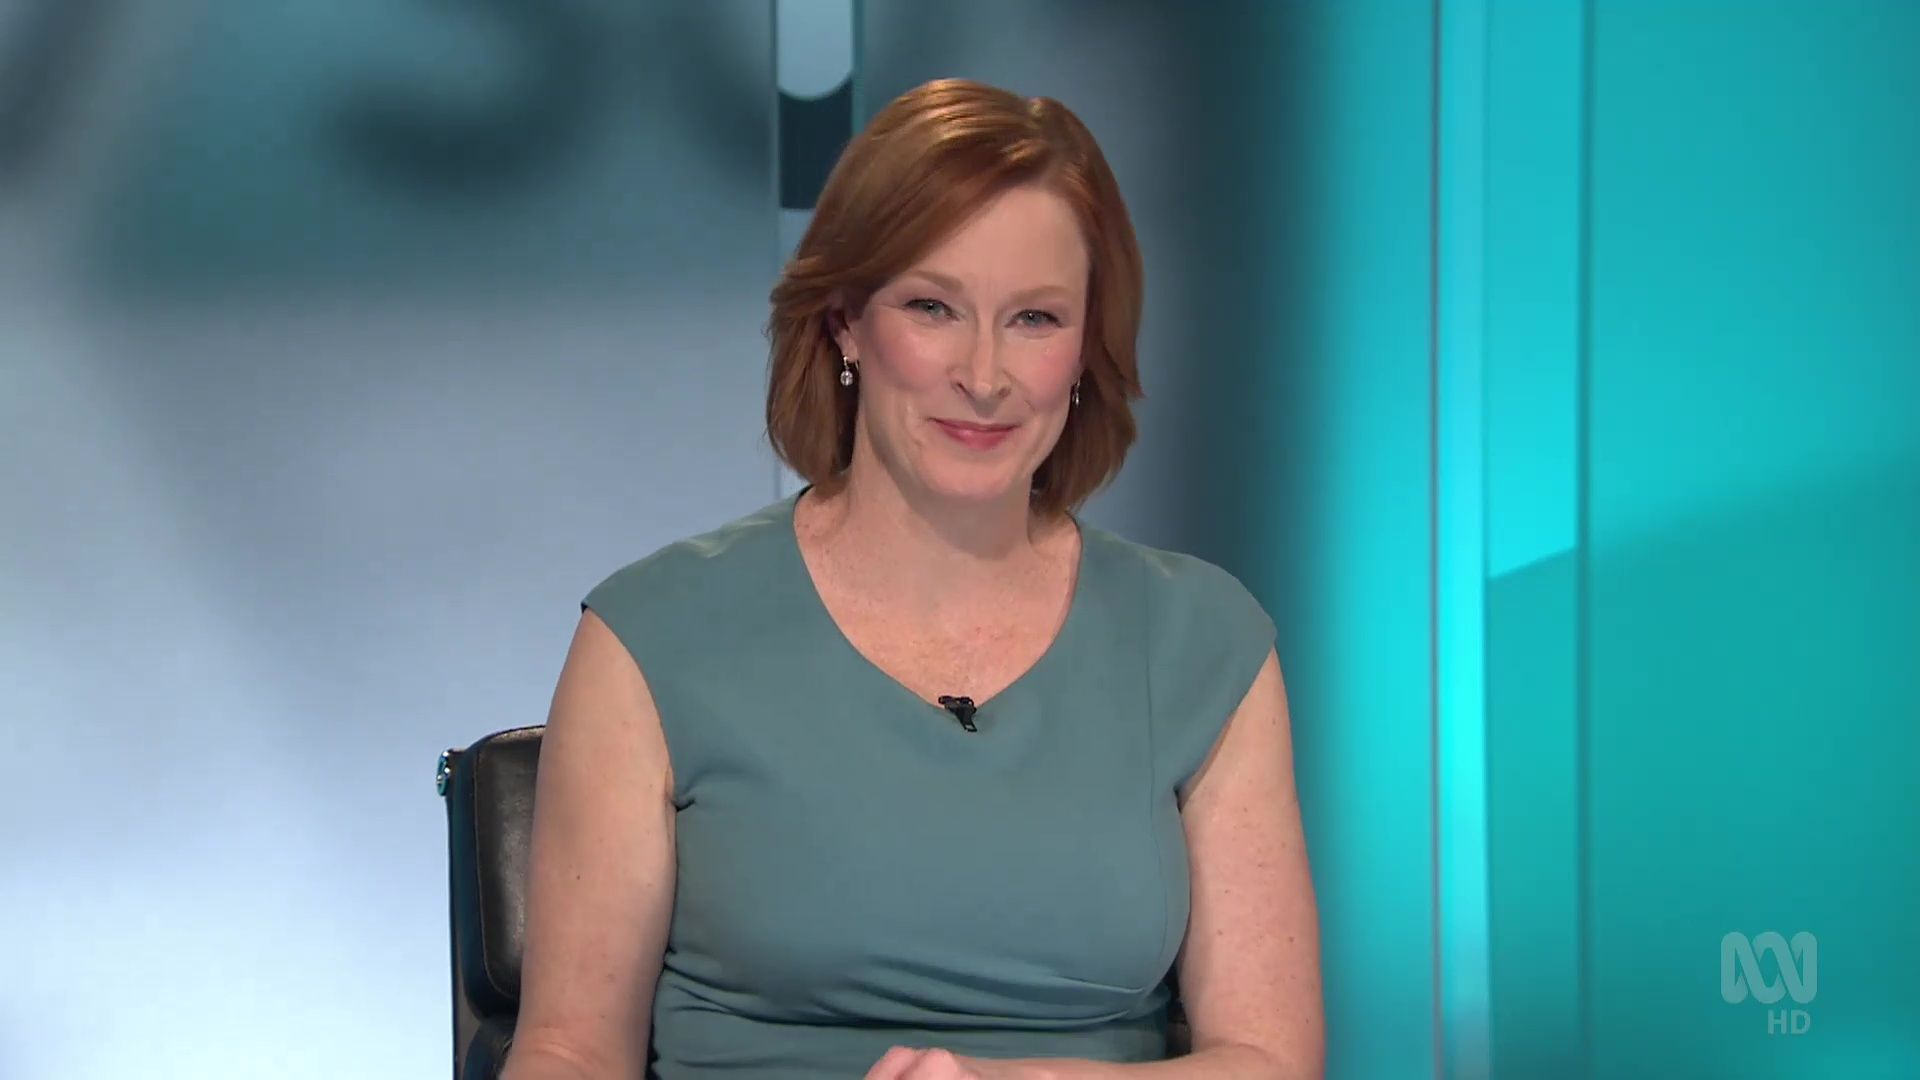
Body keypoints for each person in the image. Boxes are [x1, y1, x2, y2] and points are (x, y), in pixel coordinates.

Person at [502, 78, 1323, 1080]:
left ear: (1085, 349)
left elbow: (1269, 1059)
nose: (983, 375)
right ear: (845, 322)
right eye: (933, 308)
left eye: (1035, 318)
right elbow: (570, 1050)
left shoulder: (1203, 643)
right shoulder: (654, 638)